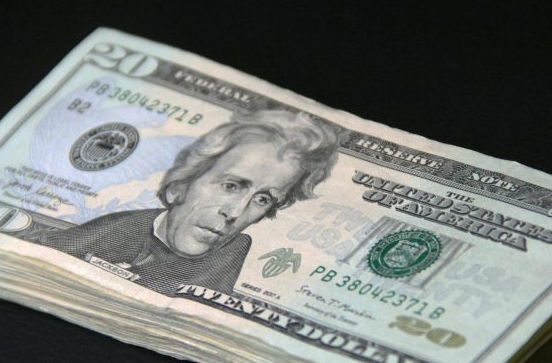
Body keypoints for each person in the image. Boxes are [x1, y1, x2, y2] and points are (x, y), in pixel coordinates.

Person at [37, 109, 339, 295]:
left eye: (262, 199)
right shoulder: (116, 227)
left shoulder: (230, 256)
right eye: (231, 185)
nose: (234, 213)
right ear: (181, 185)